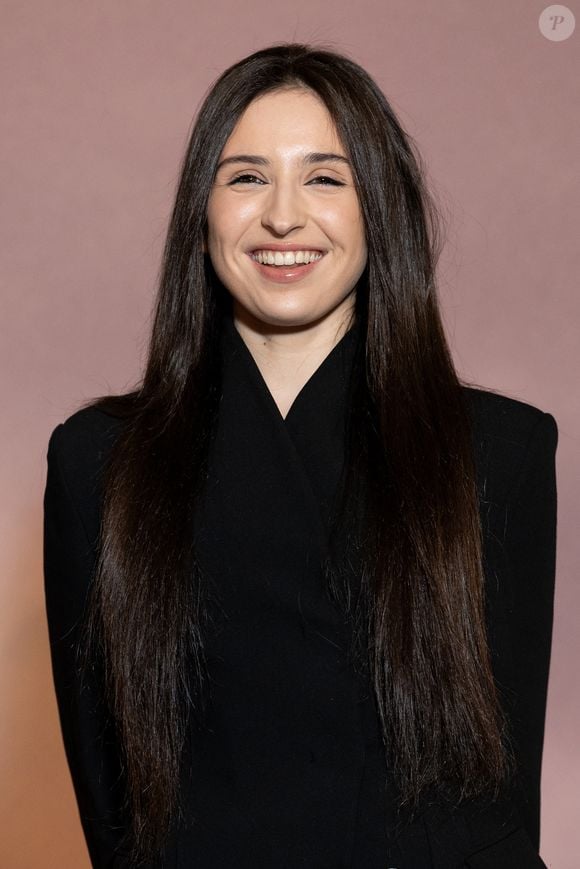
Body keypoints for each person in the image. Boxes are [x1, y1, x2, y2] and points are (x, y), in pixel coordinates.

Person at [43, 42, 558, 868]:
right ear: (201, 212)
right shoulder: (99, 465)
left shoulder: (502, 453)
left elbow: (504, 803)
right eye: (246, 176)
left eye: (325, 176)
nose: (283, 216)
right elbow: (113, 815)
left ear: (378, 206)